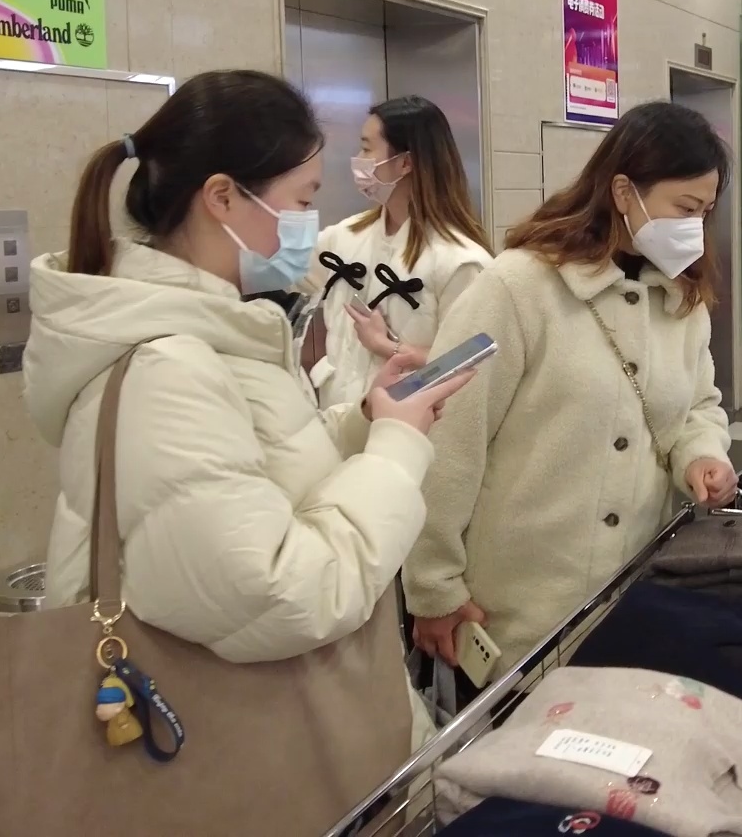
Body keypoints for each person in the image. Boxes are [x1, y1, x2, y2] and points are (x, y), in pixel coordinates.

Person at [23, 70, 474, 774]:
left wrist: (366, 420)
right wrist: (394, 451)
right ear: (223, 198)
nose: (309, 226)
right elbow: (283, 594)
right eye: (302, 201)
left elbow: (262, 475)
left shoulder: (214, 335)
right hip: (244, 758)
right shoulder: (167, 370)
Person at [404, 101, 739, 679]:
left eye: (705, 212)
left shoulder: (681, 297)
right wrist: (433, 585)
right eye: (684, 209)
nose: (694, 228)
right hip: (516, 611)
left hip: (635, 595)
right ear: (624, 192)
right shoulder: (517, 286)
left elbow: (698, 406)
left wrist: (702, 455)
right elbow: (451, 434)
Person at [301, 95, 493, 408]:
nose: (357, 159)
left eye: (366, 149)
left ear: (405, 163)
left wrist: (390, 348)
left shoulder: (461, 261)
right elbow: (284, 275)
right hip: (336, 417)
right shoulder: (344, 236)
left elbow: (476, 362)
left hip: (408, 423)